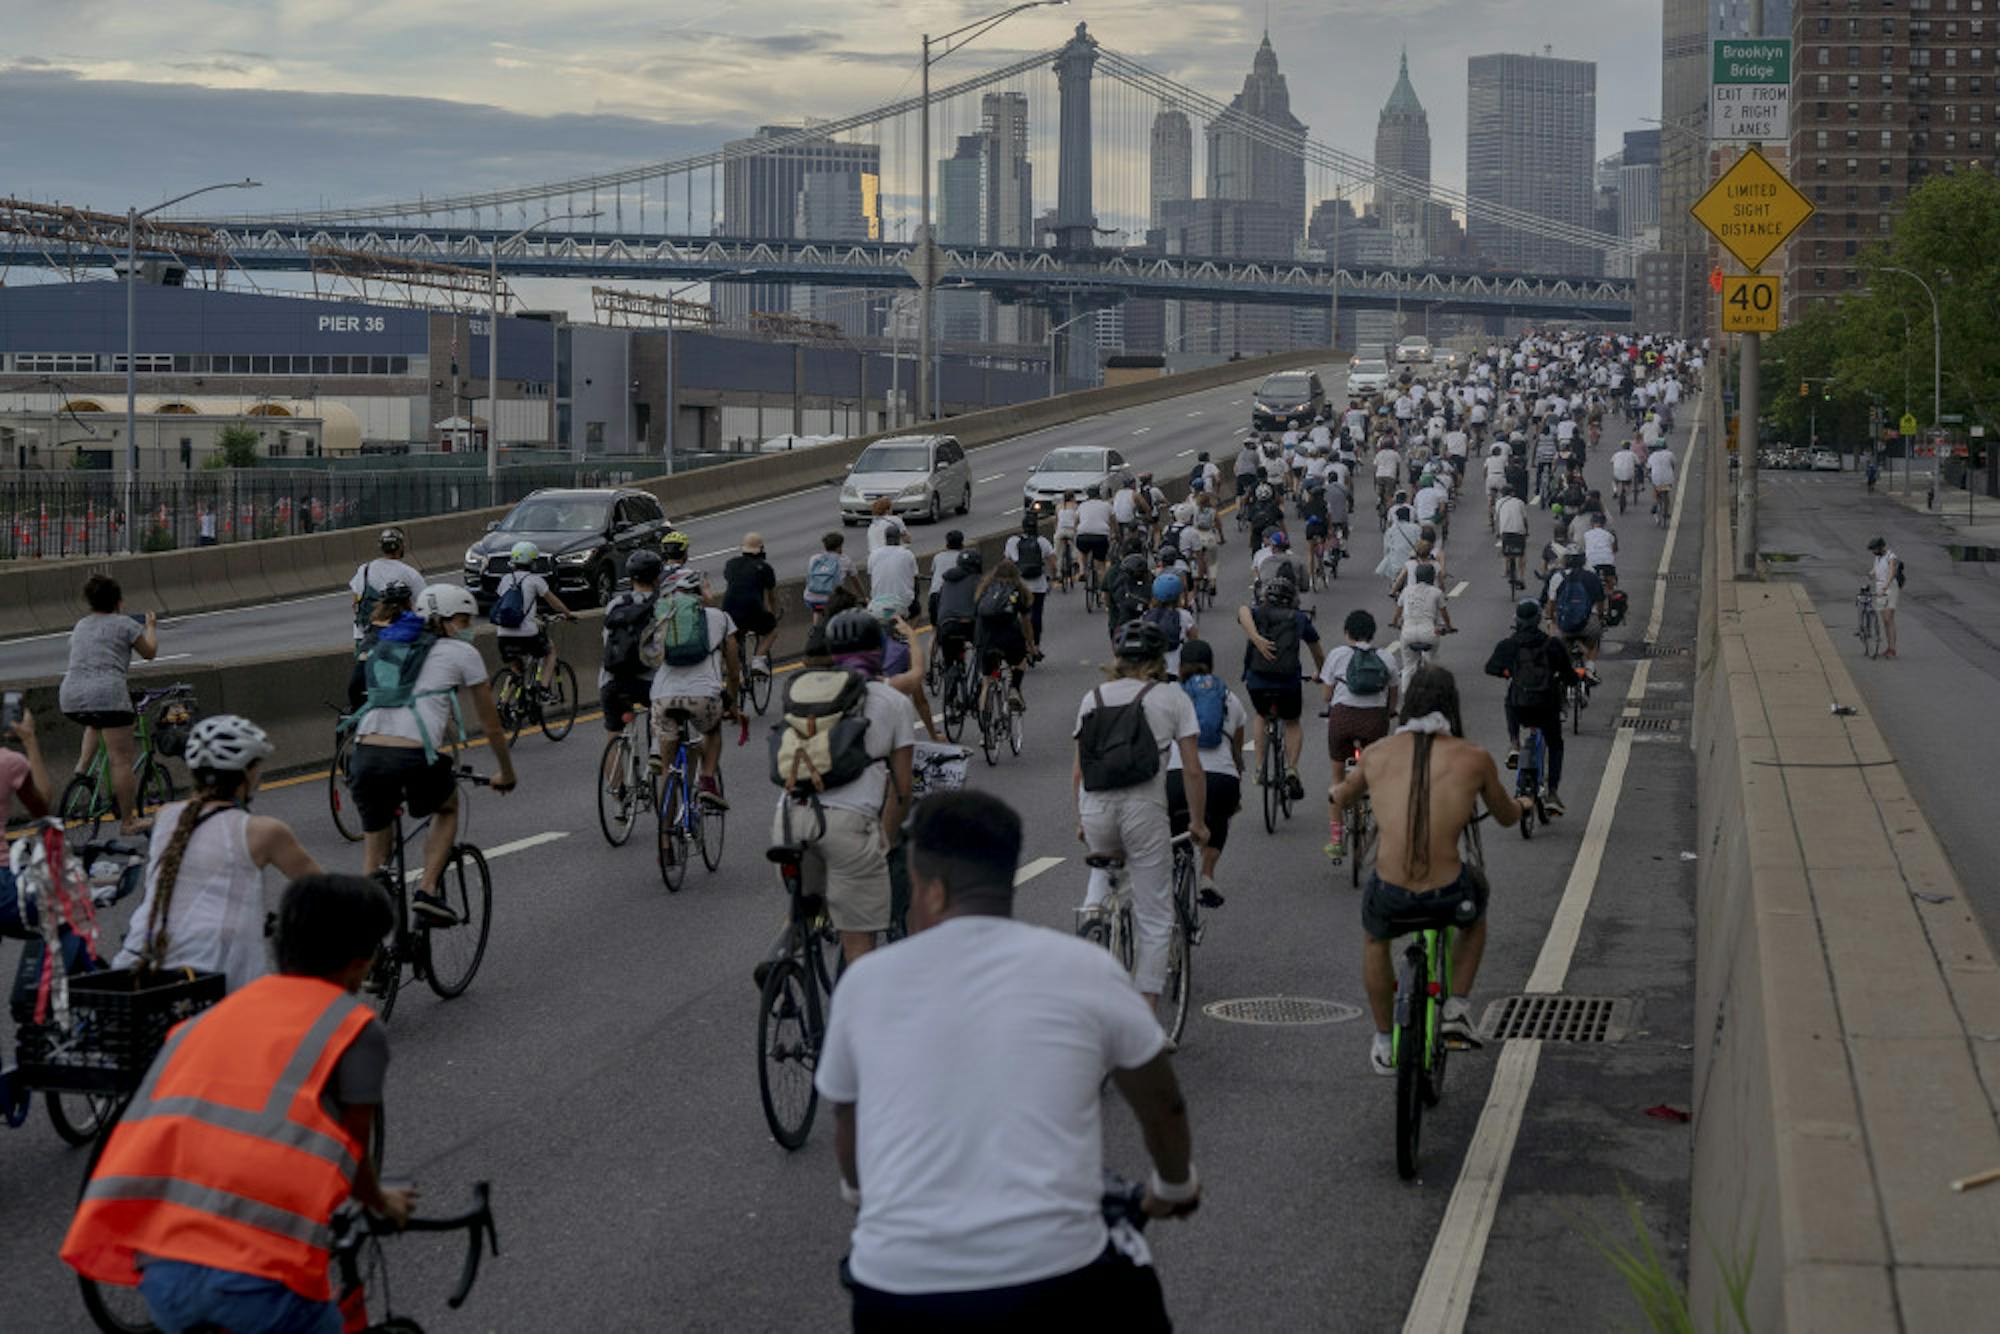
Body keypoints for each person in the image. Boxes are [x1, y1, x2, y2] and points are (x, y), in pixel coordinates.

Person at [818, 792, 1194, 1331]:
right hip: (1051, 1281)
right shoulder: (1083, 968)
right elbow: (1164, 1103)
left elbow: (847, 1122)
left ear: (935, 889)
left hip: (896, 1289)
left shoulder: (866, 984)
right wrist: (1174, 1187)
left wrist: (860, 1195)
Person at [63, 873, 415, 1334]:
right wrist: (383, 1202)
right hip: (258, 1288)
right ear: (359, 962)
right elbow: (354, 1154)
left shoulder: (212, 1018)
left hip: (160, 1277)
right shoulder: (353, 1028)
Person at [1330, 667, 1526, 1074]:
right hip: (1447, 893)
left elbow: (1343, 796)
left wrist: (1339, 793)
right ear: (1451, 707)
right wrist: (1524, 806)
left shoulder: (1378, 753)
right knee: (1477, 906)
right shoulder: (1473, 758)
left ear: (1406, 706)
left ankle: (1385, 1040)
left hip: (1390, 893)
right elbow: (1507, 816)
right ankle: (1456, 1007)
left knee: (1375, 940)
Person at [112, 715, 319, 993]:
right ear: (248, 774)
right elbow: (325, 890)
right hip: (218, 975)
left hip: (140, 965)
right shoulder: (264, 831)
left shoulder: (166, 816)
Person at [350, 585, 518, 923]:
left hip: (365, 752)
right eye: (463, 619)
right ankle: (427, 890)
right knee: (447, 807)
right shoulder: (461, 653)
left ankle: (370, 957)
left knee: (375, 857)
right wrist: (506, 773)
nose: (468, 626)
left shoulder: (389, 644)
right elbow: (491, 726)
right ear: (443, 620)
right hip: (412, 756)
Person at [1074, 620, 1206, 1018]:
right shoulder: (1171, 698)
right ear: (1159, 659)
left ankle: (1092, 921)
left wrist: (1081, 818)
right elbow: (1194, 769)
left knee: (1103, 870)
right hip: (1143, 810)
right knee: (1154, 913)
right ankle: (1145, 1018)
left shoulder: (1092, 698)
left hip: (1095, 806)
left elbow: (1079, 770)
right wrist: (1197, 823)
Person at [771, 609, 916, 965]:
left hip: (788, 819)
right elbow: (902, 790)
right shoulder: (893, 700)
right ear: (878, 651)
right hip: (847, 826)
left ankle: (782, 955)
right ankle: (855, 1013)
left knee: (804, 902)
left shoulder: (806, 693)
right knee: (858, 940)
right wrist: (885, 839)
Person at [59, 574, 159, 835]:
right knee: (120, 759)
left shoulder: (81, 625)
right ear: (119, 602)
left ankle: (81, 771)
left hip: (71, 696)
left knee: (94, 722)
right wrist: (150, 626)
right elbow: (149, 653)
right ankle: (128, 822)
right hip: (108, 695)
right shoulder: (125, 624)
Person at [650, 568, 741, 808]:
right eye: (707, 586)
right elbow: (733, 669)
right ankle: (708, 781)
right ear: (697, 591)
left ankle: (666, 839)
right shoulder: (720, 618)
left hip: (663, 697)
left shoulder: (661, 616)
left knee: (667, 773)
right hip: (704, 697)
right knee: (712, 733)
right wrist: (732, 703)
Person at [1234, 575, 1324, 802]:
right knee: (1292, 722)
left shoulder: (1257, 613)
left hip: (1257, 681)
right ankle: (1292, 768)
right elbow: (1317, 651)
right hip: (1288, 682)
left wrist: (1256, 638)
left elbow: (1242, 611)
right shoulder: (1299, 618)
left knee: (1261, 716)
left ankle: (1259, 766)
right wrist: (1321, 673)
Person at [1319, 610, 1399, 859]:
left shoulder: (1337, 654)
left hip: (1342, 720)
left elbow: (1327, 696)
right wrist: (1389, 713)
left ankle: (1335, 840)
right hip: (1375, 722)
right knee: (1378, 777)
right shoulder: (1386, 657)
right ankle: (1386, 836)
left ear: (1347, 632)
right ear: (1372, 634)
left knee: (1337, 778)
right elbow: (1393, 696)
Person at [1169, 639, 1243, 909]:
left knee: (1173, 821)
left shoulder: (1171, 695)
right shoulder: (1228, 697)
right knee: (1220, 816)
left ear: (1180, 667)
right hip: (1222, 780)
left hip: (1177, 777)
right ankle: (1207, 875)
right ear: (1211, 666)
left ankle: (1175, 866)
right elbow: (1236, 749)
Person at [1484, 598, 1573, 815]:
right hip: (1547, 707)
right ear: (1539, 620)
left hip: (1520, 706)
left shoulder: (1509, 645)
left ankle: (1514, 743)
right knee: (1555, 744)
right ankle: (1552, 793)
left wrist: (1509, 673)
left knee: (1510, 700)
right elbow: (1570, 676)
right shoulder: (1553, 645)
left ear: (1517, 620)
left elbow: (1491, 668)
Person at [492, 541, 571, 698]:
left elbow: (507, 605)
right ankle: (543, 688)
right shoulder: (535, 580)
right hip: (527, 635)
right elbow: (554, 603)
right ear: (532, 563)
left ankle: (504, 703)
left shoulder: (505, 580)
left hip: (503, 635)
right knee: (550, 651)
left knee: (516, 670)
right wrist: (568, 614)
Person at [600, 549, 663, 741]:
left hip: (612, 679)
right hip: (648, 681)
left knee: (614, 733)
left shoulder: (616, 604)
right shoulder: (662, 604)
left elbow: (606, 640)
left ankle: (613, 768)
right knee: (661, 722)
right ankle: (656, 757)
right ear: (656, 576)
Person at [973, 559, 1036, 714]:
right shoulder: (1018, 590)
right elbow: (1026, 623)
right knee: (1020, 661)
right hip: (1009, 639)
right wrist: (1031, 645)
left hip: (986, 639)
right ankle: (1014, 688)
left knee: (987, 681)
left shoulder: (985, 589)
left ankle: (985, 723)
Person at [350, 528, 426, 647]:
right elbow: (424, 605)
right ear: (401, 546)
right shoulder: (409, 574)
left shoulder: (364, 570)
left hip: (364, 637)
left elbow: (355, 603)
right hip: (395, 637)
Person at [1546, 551, 1606, 681]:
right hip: (1587, 625)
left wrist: (1550, 620)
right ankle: (1590, 668)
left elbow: (1551, 604)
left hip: (1564, 626)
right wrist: (1601, 619)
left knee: (1559, 646)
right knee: (1594, 640)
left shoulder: (1557, 577)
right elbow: (1600, 603)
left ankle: (1561, 672)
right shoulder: (1592, 577)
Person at [722, 533, 779, 662]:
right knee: (772, 632)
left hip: (729, 609)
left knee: (733, 637)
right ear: (761, 549)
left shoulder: (731, 564)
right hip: (753, 610)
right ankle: (757, 661)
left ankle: (733, 667)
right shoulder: (765, 568)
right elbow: (771, 598)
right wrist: (772, 616)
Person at [1005, 514, 1056, 643]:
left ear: (1023, 527)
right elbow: (1053, 564)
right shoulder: (1042, 541)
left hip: (1019, 586)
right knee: (1037, 615)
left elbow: (1006, 564)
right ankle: (1036, 645)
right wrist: (1053, 577)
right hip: (1038, 587)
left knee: (1016, 614)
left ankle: (1019, 643)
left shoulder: (1012, 541)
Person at [1145, 572, 1197, 678]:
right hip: (1176, 669)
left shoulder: (1147, 615)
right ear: (1179, 596)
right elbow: (1194, 640)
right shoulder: (1184, 615)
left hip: (1154, 669)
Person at [866, 524, 919, 622]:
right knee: (916, 613)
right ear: (899, 538)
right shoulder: (907, 554)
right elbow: (915, 580)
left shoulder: (873, 555)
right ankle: (908, 635)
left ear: (885, 538)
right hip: (901, 603)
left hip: (876, 604)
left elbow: (871, 579)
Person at [807, 532, 860, 624]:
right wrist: (863, 596)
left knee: (817, 610)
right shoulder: (845, 560)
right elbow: (855, 581)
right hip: (831, 599)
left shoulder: (814, 558)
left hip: (811, 598)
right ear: (839, 547)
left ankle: (815, 630)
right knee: (842, 606)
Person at [1074, 485, 1116, 586]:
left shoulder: (1082, 505)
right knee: (1100, 566)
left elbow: (1076, 521)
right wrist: (1115, 534)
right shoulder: (1107, 505)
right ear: (1099, 494)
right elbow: (1113, 522)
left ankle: (1082, 570)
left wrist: (1076, 532)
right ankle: (1103, 592)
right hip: (1100, 536)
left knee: (1081, 551)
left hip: (1083, 535)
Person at [1869, 536, 1902, 658]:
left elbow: (1892, 573)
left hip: (1890, 588)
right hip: (1879, 588)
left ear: (1880, 547)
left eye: (1874, 549)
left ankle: (1892, 649)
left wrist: (1885, 587)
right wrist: (1870, 574)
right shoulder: (1877, 558)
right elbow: (1875, 570)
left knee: (1889, 619)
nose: (1873, 552)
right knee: (1885, 621)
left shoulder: (1891, 556)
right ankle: (1889, 647)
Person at [1647, 442, 1676, 517]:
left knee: (1655, 488)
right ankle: (1666, 512)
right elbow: (1673, 464)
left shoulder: (1652, 456)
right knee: (1666, 493)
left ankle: (1655, 502)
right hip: (1668, 478)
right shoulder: (1670, 454)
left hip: (1656, 478)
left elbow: (1648, 467)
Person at [1610, 441, 1638, 509]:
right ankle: (1626, 493)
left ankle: (1615, 491)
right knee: (1629, 483)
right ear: (1629, 448)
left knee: (1614, 481)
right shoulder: (1632, 454)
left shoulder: (1617, 454)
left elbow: (1611, 461)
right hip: (1628, 473)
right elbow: (1638, 462)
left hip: (1617, 473)